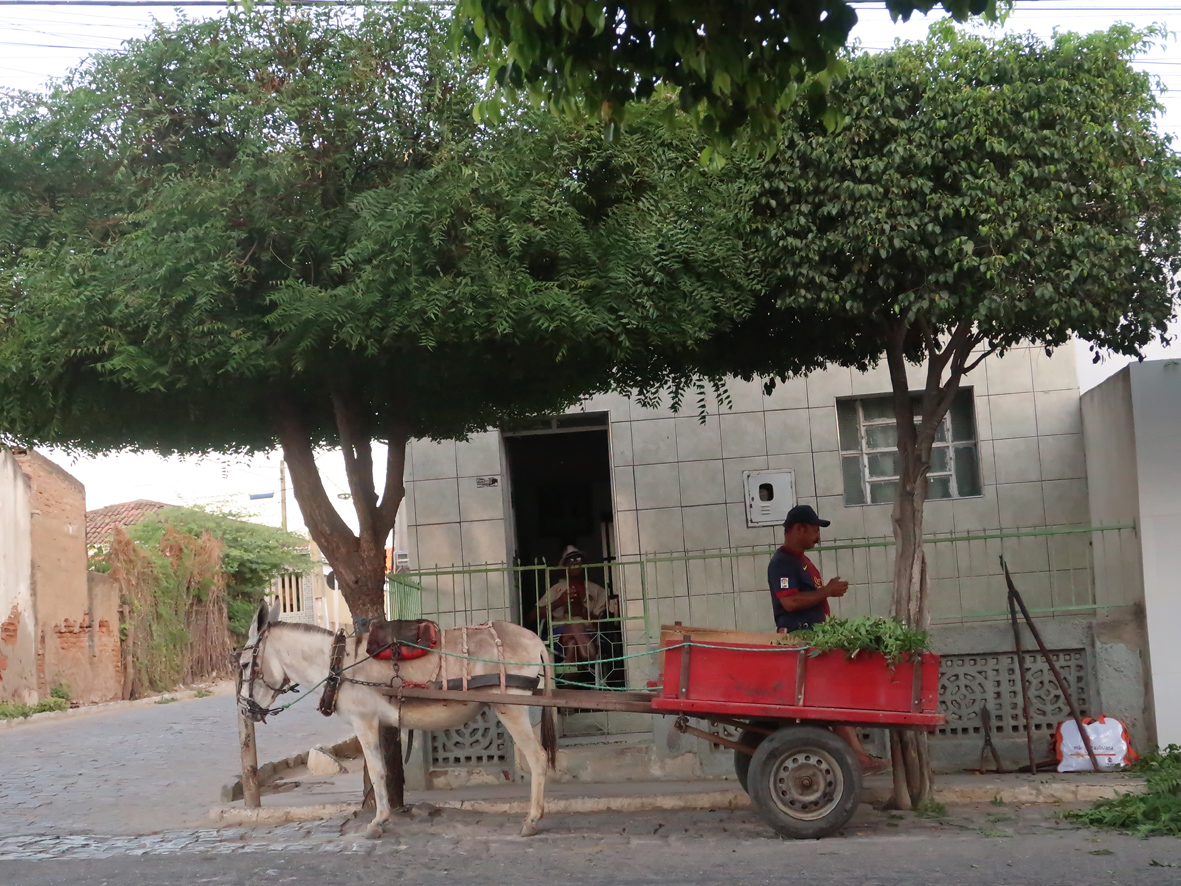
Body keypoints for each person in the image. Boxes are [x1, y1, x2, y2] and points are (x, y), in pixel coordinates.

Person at [769, 504, 889, 774]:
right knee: (833, 698)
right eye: (813, 531)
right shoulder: (783, 562)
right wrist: (827, 592)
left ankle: (854, 754)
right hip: (803, 640)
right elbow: (789, 602)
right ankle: (857, 757)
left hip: (817, 638)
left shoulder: (800, 560)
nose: (817, 537)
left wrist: (825, 591)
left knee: (837, 697)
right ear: (798, 528)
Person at [528, 545, 613, 664]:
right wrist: (559, 602)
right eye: (571, 560)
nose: (575, 563)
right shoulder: (556, 590)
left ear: (584, 565)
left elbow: (603, 624)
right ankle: (589, 656)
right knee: (575, 626)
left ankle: (570, 680)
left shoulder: (597, 591)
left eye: (578, 560)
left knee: (572, 643)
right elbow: (532, 616)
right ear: (564, 567)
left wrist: (581, 611)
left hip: (590, 634)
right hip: (559, 635)